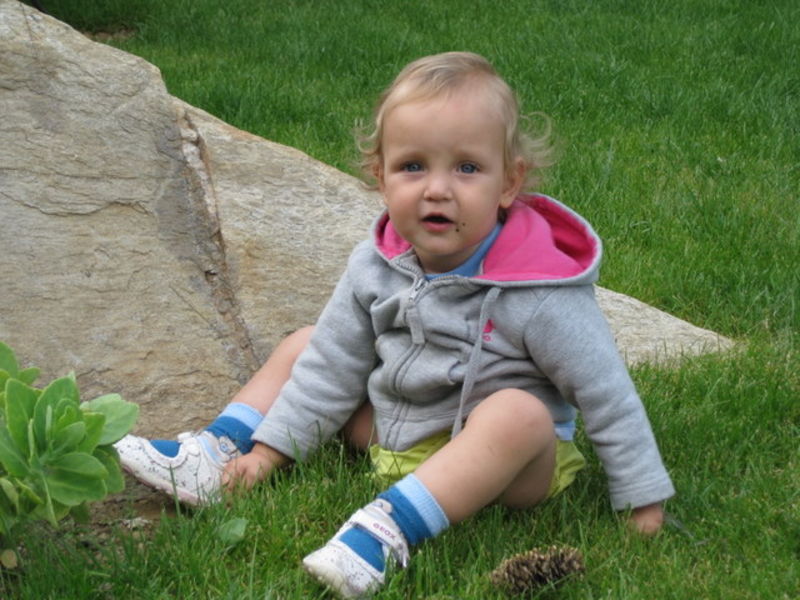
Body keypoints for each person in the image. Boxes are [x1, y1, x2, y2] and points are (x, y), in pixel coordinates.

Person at [115, 51, 674, 598]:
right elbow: (331, 367)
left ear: (509, 182)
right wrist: (270, 453)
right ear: (380, 177)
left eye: (467, 168)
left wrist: (643, 500)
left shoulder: (539, 290)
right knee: (308, 345)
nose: (437, 189)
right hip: (397, 430)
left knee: (518, 413)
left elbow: (606, 393)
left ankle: (383, 532)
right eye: (413, 166)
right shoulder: (374, 265)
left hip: (504, 466)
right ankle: (220, 455)